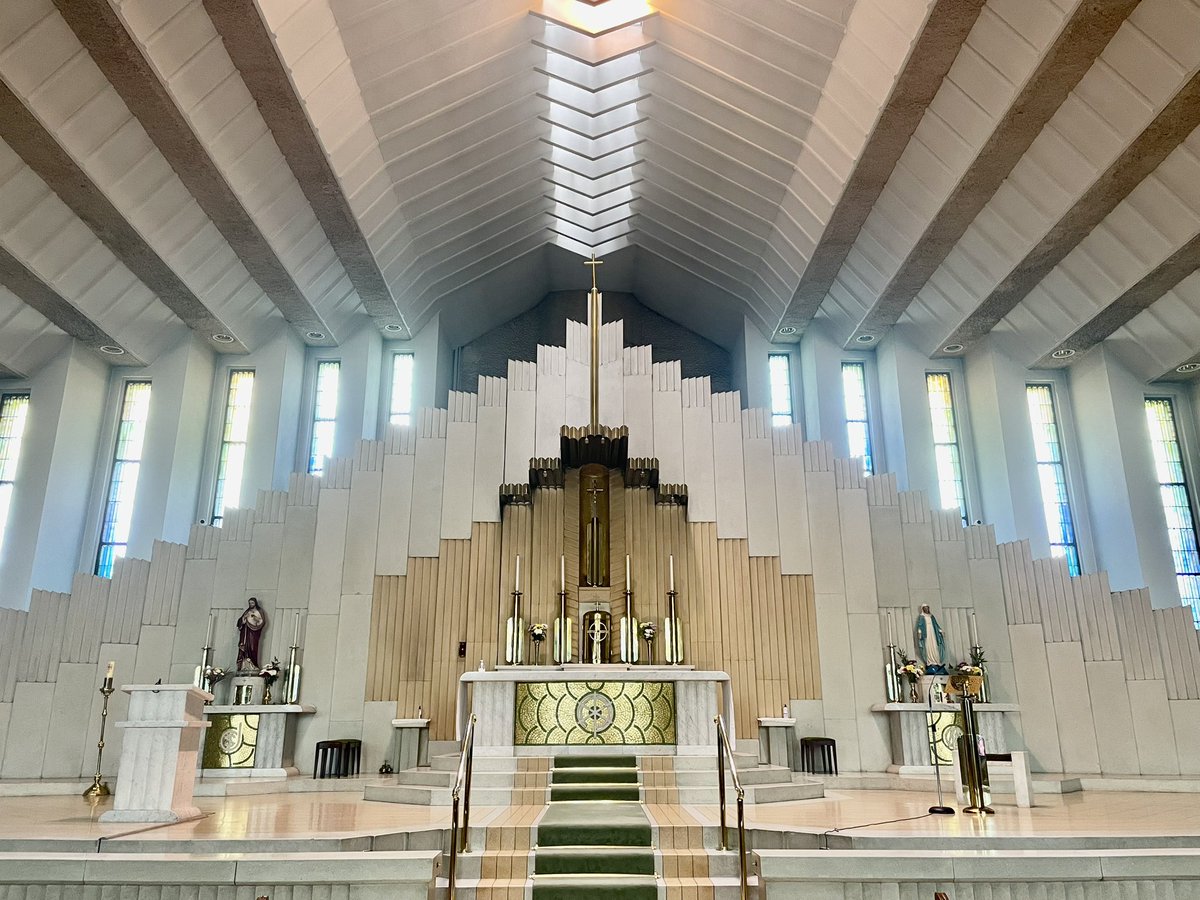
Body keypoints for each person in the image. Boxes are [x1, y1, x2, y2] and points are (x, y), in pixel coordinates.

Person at [915, 604, 948, 674]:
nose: (926, 609)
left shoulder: (931, 616)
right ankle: (930, 662)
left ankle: (936, 661)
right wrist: (919, 632)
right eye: (925, 608)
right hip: (927, 635)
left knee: (935, 647)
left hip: (933, 633)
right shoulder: (921, 617)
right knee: (928, 647)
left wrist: (940, 630)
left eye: (927, 608)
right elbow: (920, 625)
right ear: (923, 609)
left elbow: (936, 625)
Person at [236, 597, 267, 671]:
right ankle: (243, 666)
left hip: (254, 634)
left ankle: (253, 665)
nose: (250, 604)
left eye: (252, 603)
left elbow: (261, 622)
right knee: (244, 648)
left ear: (255, 603)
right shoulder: (247, 611)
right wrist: (243, 619)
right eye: (249, 603)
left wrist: (255, 618)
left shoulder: (259, 611)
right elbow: (240, 622)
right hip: (245, 633)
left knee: (252, 648)